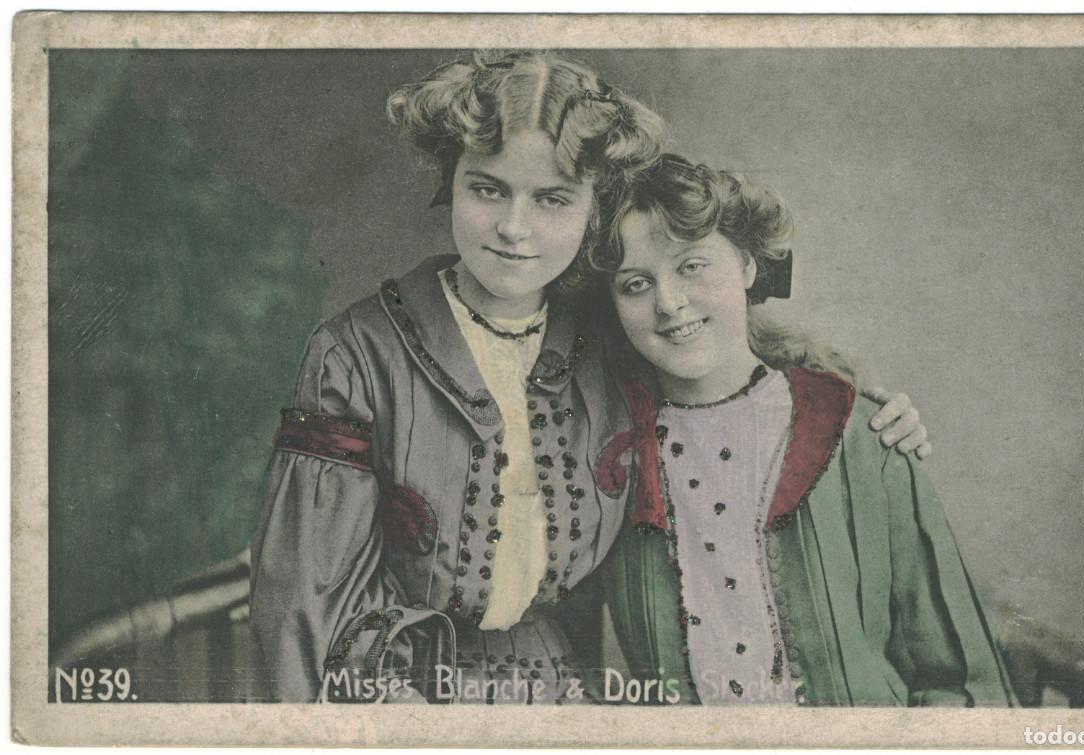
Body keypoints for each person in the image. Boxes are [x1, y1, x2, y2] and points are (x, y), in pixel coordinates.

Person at [248, 51, 929, 704]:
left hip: (557, 694)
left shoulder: (606, 340)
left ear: (592, 209)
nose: (514, 228)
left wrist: (862, 405)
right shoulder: (356, 355)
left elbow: (727, 367)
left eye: (552, 199)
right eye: (487, 189)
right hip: (392, 696)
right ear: (448, 181)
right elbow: (307, 612)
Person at [593, 155, 1016, 706]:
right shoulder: (608, 458)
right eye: (636, 284)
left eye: (692, 265)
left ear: (747, 264)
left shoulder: (860, 436)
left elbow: (962, 680)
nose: (669, 303)